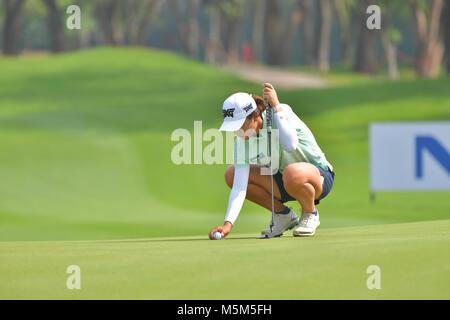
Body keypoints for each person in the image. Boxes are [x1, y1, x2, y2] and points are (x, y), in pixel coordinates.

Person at [208, 83, 334, 239]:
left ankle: (310, 213)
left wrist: (276, 108)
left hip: (317, 177)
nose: (236, 132)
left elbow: (290, 145)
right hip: (283, 180)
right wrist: (228, 224)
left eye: (239, 125)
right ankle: (283, 216)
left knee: (292, 172)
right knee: (232, 174)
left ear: (255, 116)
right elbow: (239, 187)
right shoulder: (241, 143)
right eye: (232, 127)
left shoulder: (281, 112)